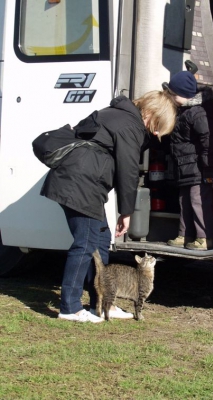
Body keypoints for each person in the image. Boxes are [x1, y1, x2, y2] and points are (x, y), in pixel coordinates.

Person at [41, 91, 176, 323]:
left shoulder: (116, 114)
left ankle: (102, 304)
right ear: (151, 114)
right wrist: (127, 212)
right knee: (85, 244)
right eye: (156, 128)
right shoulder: (130, 125)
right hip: (81, 183)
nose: (154, 134)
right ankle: (69, 307)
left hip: (82, 183)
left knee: (101, 240)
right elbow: (128, 170)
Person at [165, 71, 213, 251]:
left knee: (198, 200)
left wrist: (206, 162)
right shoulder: (183, 111)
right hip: (184, 165)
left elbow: (206, 137)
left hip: (197, 166)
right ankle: (184, 234)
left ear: (184, 94)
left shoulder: (197, 112)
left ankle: (205, 237)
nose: (170, 96)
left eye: (173, 93)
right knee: (184, 200)